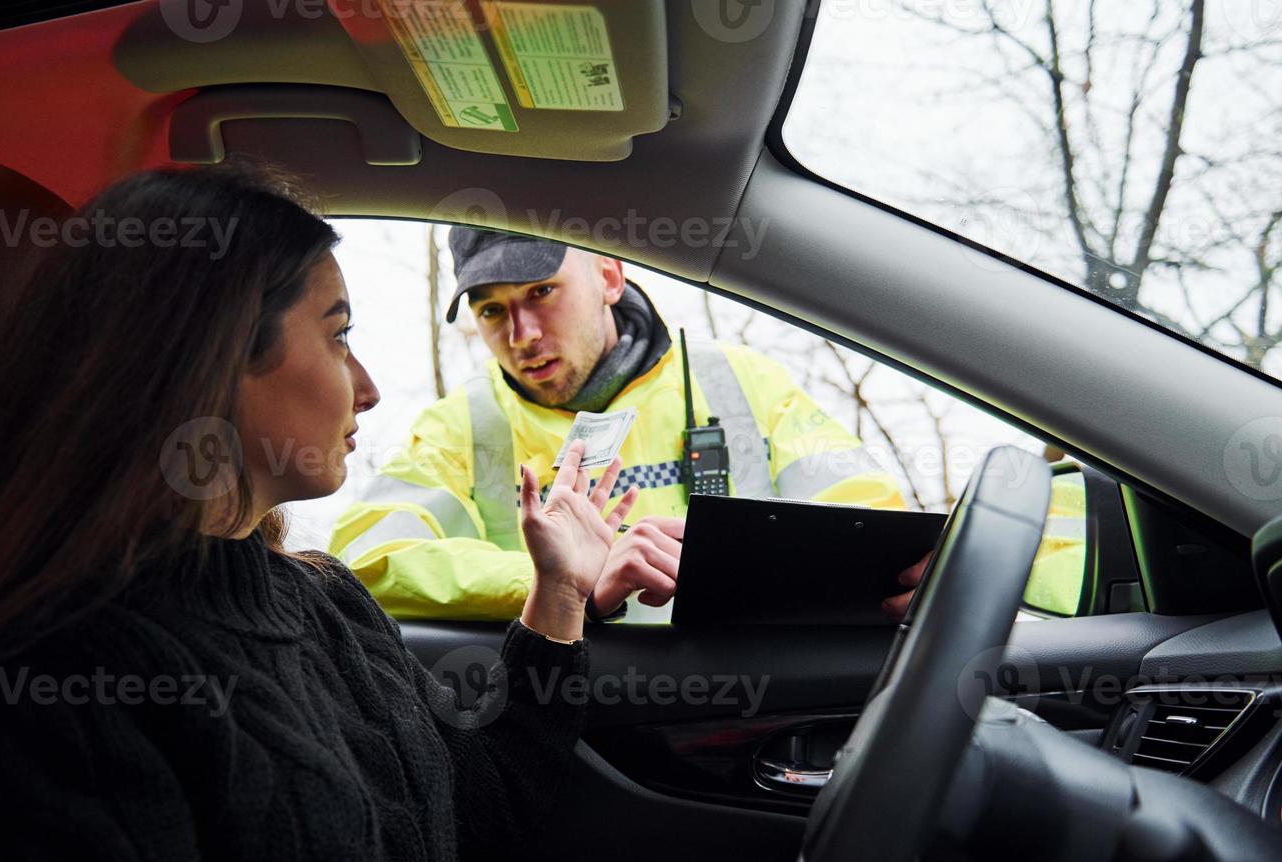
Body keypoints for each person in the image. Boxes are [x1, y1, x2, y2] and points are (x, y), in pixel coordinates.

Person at [0, 163, 637, 862]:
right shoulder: (55, 682)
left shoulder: (320, 603)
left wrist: (558, 592)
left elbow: (484, 809)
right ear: (205, 354)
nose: (369, 388)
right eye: (337, 334)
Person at [330, 230, 907, 621]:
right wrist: (564, 581)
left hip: (742, 695)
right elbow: (368, 561)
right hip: (567, 706)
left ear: (609, 277)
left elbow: (872, 527)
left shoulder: (740, 382)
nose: (522, 332)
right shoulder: (459, 425)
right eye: (491, 309)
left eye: (541, 292)